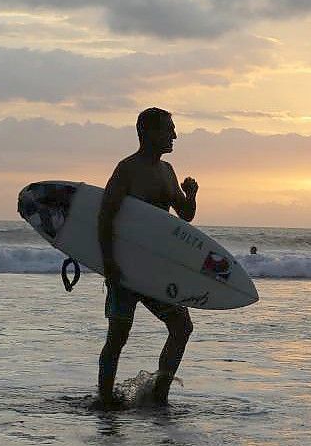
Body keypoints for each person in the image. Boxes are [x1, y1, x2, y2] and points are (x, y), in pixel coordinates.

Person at [96, 107, 198, 408]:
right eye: (168, 130)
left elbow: (186, 215)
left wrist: (191, 193)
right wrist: (109, 264)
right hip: (125, 271)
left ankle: (159, 395)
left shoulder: (167, 171)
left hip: (154, 272)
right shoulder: (127, 169)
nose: (174, 136)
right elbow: (105, 218)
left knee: (182, 327)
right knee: (117, 338)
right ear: (147, 132)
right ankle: (104, 399)